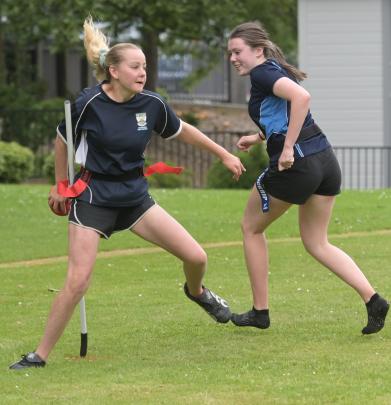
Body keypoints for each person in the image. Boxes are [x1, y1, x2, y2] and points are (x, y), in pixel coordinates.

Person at [9, 17, 245, 370]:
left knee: (196, 257)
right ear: (114, 71)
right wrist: (61, 186)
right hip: (93, 199)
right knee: (77, 281)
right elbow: (63, 142)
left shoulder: (152, 104)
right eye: (135, 67)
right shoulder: (87, 104)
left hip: (135, 198)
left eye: (145, 67)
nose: (142, 72)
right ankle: (39, 356)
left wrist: (223, 153)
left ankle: (197, 293)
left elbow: (184, 131)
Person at [227, 21, 389, 333]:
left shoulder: (262, 72)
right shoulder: (271, 70)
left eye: (238, 51)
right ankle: (373, 300)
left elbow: (302, 98)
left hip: (298, 163)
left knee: (251, 228)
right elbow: (282, 112)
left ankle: (260, 312)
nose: (233, 58)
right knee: (317, 242)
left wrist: (287, 148)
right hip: (324, 159)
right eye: (230, 53)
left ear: (257, 51)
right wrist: (258, 137)